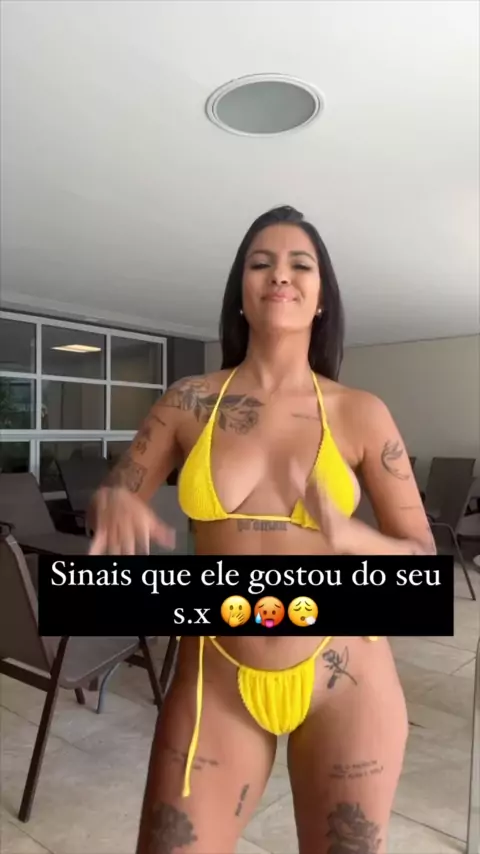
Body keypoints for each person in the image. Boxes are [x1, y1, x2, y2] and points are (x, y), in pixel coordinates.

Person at [89, 206, 435, 854]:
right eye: (261, 263)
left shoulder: (360, 413)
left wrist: (350, 538)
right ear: (240, 294)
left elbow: (422, 558)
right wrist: (112, 503)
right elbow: (114, 494)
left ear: (321, 298)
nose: (280, 275)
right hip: (214, 674)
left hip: (345, 678)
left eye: (300, 264)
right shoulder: (188, 400)